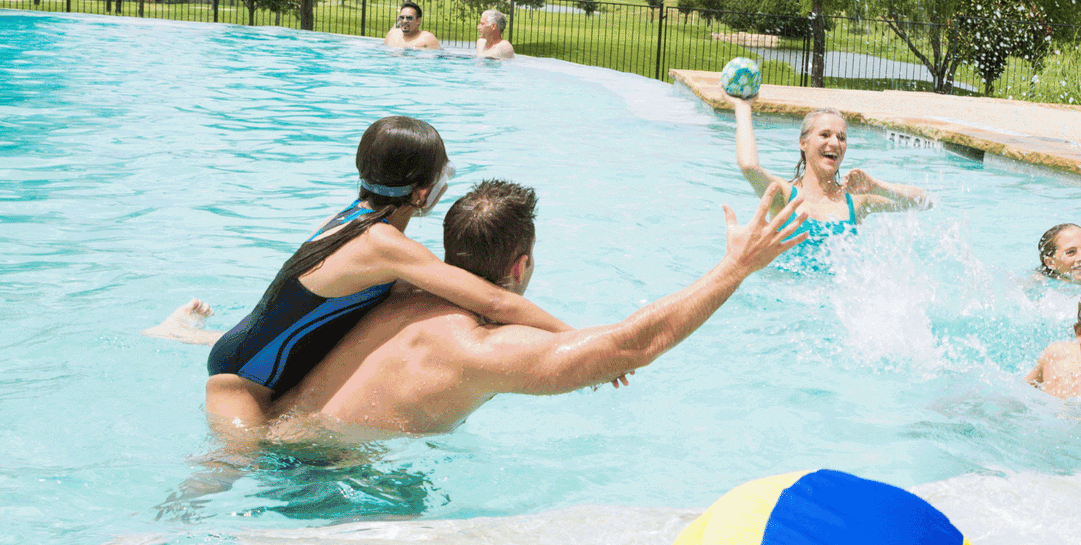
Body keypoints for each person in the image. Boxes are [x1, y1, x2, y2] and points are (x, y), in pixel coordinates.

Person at [268, 181, 807, 438]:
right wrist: (735, 267)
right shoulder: (477, 349)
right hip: (318, 479)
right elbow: (634, 345)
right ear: (521, 266)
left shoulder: (397, 295)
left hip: (270, 436)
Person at [195, 116, 571, 441]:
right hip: (241, 383)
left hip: (248, 360)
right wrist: (571, 337)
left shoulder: (355, 221)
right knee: (215, 484)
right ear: (423, 193)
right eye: (445, 175)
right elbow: (495, 301)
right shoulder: (383, 244)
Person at [730, 99, 929, 253]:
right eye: (825, 135)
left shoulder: (855, 202)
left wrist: (878, 186)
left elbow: (925, 202)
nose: (834, 143)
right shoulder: (783, 196)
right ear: (803, 143)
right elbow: (749, 166)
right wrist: (742, 105)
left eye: (841, 137)